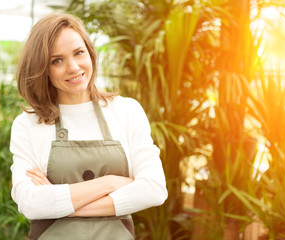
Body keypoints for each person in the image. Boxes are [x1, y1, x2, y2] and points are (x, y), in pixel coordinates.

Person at [10, 12, 167, 240]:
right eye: (57, 60)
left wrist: (59, 204)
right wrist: (110, 182)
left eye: (78, 53)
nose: (73, 67)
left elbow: (154, 189)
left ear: (90, 53)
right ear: (43, 68)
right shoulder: (28, 125)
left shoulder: (126, 111)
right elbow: (30, 203)